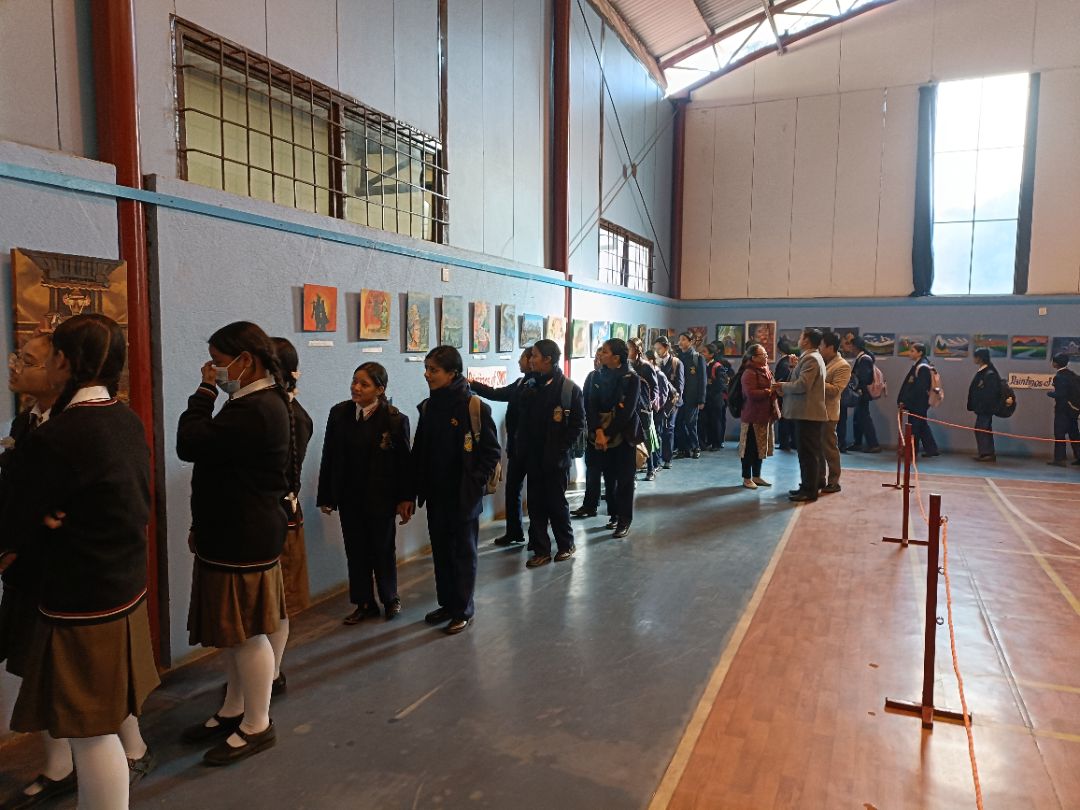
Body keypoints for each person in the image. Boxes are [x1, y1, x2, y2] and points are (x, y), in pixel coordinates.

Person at [3, 314, 158, 809]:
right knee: (97, 728)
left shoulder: (62, 434)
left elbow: (20, 518)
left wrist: (45, 522)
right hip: (118, 585)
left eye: (46, 356)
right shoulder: (123, 417)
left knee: (91, 734)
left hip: (80, 598)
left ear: (64, 362)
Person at [177, 320, 291, 765]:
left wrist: (204, 391)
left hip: (245, 535)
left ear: (246, 360)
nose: (212, 369)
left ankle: (257, 724)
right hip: (230, 531)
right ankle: (233, 708)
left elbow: (190, 442)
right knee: (233, 633)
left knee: (246, 633)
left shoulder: (257, 408)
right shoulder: (251, 402)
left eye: (218, 362)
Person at [412, 346, 500, 635]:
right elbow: (420, 451)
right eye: (426, 369)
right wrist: (414, 488)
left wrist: (474, 483)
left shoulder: (473, 407)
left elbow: (491, 452)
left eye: (433, 370)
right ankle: (447, 604)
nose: (427, 375)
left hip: (463, 496)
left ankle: (463, 609)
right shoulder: (429, 407)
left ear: (452, 373)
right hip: (436, 495)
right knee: (441, 552)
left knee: (463, 554)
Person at [317, 362, 413, 622]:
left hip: (381, 499)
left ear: (380, 390)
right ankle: (364, 602)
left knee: (382, 550)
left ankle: (390, 598)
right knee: (356, 550)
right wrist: (327, 495)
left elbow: (404, 464)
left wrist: (406, 498)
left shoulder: (394, 419)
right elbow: (329, 456)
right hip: (350, 497)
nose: (356, 388)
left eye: (364, 384)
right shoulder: (339, 414)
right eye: (354, 381)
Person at [268, 337, 313, 692]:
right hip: (271, 517)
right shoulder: (278, 411)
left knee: (276, 603)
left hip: (278, 517)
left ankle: (270, 673)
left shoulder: (291, 416)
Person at [520, 340, 585, 568]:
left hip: (556, 460)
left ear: (547, 359)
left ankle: (566, 545)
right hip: (533, 458)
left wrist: (560, 448)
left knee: (556, 504)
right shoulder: (530, 385)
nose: (531, 360)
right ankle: (541, 550)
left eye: (535, 355)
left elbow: (577, 424)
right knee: (536, 506)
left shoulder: (569, 389)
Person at [468, 349, 535, 545]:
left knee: (536, 495)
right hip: (516, 448)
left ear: (531, 360)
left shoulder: (539, 386)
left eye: (522, 358)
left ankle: (538, 537)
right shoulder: (520, 383)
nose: (519, 362)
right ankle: (514, 531)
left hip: (532, 449)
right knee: (512, 490)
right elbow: (498, 393)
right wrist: (473, 385)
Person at [590, 339, 642, 539]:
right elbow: (591, 405)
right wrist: (598, 432)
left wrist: (607, 433)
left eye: (605, 351)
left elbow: (627, 412)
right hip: (600, 433)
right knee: (609, 477)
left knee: (625, 479)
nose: (600, 354)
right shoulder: (596, 376)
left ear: (616, 357)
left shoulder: (632, 378)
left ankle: (624, 520)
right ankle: (614, 514)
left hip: (624, 434)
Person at [774, 329, 828, 503]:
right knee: (811, 452)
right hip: (807, 412)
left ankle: (809, 489)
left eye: (801, 337)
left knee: (807, 454)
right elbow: (800, 380)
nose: (798, 340)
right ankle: (813, 483)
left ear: (806, 341)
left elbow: (802, 385)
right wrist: (793, 368)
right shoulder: (809, 357)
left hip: (807, 413)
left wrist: (782, 386)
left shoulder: (811, 358)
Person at [738, 343, 779, 489]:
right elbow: (750, 394)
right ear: (754, 358)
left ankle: (756, 476)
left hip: (764, 415)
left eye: (766, 354)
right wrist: (769, 391)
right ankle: (746, 478)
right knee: (749, 449)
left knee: (759, 448)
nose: (766, 356)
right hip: (752, 416)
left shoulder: (765, 369)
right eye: (763, 355)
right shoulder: (749, 372)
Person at [572, 352, 606, 517]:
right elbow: (585, 403)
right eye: (595, 357)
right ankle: (590, 505)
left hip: (611, 433)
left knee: (611, 472)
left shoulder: (620, 378)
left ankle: (615, 512)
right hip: (593, 430)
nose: (596, 361)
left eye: (600, 357)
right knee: (592, 469)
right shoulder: (592, 377)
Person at [819, 332, 852, 493]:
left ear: (830, 347)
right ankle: (819, 479)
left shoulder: (842, 365)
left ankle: (833, 481)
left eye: (821, 345)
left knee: (829, 448)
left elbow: (836, 390)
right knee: (817, 449)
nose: (819, 348)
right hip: (816, 411)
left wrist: (815, 381)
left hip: (829, 413)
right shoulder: (823, 362)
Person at [897, 342, 940, 458]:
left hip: (918, 403)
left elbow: (920, 388)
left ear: (920, 353)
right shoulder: (920, 365)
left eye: (912, 351)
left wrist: (906, 400)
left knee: (914, 427)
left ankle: (911, 451)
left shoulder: (923, 367)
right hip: (917, 402)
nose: (910, 353)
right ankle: (931, 449)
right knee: (922, 426)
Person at [628, 338, 659, 481]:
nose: (628, 351)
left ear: (637, 349)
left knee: (646, 438)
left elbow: (655, 388)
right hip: (631, 407)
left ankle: (651, 468)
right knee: (632, 438)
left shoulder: (646, 367)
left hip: (644, 408)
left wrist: (648, 403)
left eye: (630, 348)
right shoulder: (627, 365)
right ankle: (633, 469)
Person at [674, 333, 707, 459]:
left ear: (691, 341)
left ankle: (695, 447)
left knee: (690, 423)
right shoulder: (677, 357)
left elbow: (703, 380)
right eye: (680, 339)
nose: (680, 342)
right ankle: (683, 449)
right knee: (679, 423)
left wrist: (701, 399)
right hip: (679, 396)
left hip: (692, 397)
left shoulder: (697, 358)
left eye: (683, 339)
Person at [967, 347, 1002, 462]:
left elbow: (990, 393)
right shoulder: (985, 371)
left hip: (985, 408)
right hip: (982, 408)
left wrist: (982, 405)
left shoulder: (989, 373)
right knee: (983, 429)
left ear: (980, 358)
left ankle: (986, 453)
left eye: (976, 357)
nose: (974, 359)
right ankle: (985, 452)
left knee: (982, 429)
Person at [652, 336, 683, 469]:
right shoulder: (655, 363)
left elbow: (680, 387)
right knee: (657, 430)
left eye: (659, 348)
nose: (657, 351)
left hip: (672, 402)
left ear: (666, 348)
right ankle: (657, 460)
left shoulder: (676, 363)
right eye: (656, 349)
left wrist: (673, 404)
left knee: (668, 429)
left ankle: (667, 458)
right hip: (659, 402)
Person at [848, 337, 882, 453]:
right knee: (858, 418)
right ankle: (858, 443)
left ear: (855, 346)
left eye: (850, 345)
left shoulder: (864, 359)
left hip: (862, 394)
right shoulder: (862, 358)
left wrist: (856, 388)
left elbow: (865, 378)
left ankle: (873, 444)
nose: (849, 348)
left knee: (864, 418)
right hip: (861, 393)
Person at [1047, 352, 1080, 466]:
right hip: (1074, 410)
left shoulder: (1059, 377)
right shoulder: (1073, 375)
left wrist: (1050, 394)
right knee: (1074, 435)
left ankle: (1060, 459)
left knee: (1059, 434)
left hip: (1062, 410)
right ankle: (1079, 456)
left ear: (1056, 363)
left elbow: (1061, 394)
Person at [701, 343, 731, 451]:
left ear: (711, 354)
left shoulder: (718, 366)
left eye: (704, 352)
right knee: (707, 422)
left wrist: (709, 389)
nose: (702, 354)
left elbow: (720, 385)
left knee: (716, 422)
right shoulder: (704, 365)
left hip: (715, 399)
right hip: (706, 399)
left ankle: (717, 443)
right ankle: (708, 441)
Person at [773, 352, 798, 451]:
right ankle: (794, 442)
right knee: (792, 421)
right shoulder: (789, 363)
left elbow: (781, 380)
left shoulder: (783, 363)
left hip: (785, 396)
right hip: (793, 397)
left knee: (784, 420)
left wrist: (778, 389)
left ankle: (784, 443)